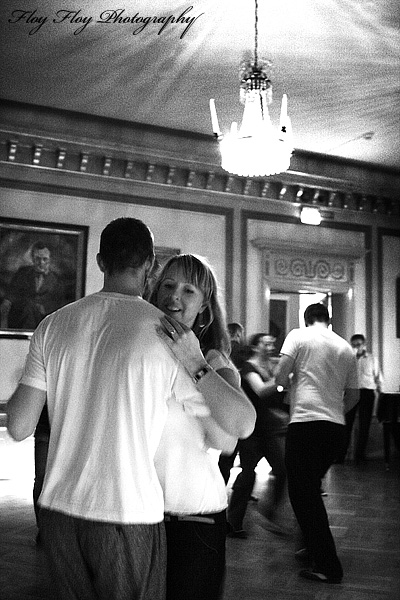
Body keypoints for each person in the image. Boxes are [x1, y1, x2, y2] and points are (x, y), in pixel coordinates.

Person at [6, 217, 216, 600]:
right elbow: (222, 433)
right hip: (127, 510)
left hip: (57, 510)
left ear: (100, 262)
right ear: (151, 266)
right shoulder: (167, 333)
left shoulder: (52, 325)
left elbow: (19, 426)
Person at [150, 253, 256, 600]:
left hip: (193, 515)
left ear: (205, 308)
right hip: (140, 511)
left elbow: (227, 439)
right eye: (168, 285)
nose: (174, 296)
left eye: (188, 290)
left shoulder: (214, 363)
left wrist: (193, 363)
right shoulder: (142, 349)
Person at [275, 303, 359, 584]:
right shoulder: (345, 347)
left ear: (306, 319)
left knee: (303, 496)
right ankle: (311, 549)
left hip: (306, 424)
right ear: (329, 320)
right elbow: (354, 396)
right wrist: (334, 412)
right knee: (310, 490)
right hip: (335, 430)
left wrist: (287, 387)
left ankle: (328, 565)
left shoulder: (298, 336)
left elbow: (278, 376)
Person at [227, 333, 289, 538]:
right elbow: (261, 391)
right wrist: (282, 379)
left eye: (272, 343)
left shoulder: (271, 367)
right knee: (248, 474)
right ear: (255, 346)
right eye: (266, 343)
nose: (271, 346)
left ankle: (268, 513)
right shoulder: (248, 368)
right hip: (251, 429)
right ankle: (233, 523)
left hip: (268, 429)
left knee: (281, 469)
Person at [1, 241, 64, 329]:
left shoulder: (57, 280)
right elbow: (11, 295)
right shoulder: (22, 273)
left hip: (44, 321)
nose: (41, 263)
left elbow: (60, 305)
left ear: (50, 259)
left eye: (45, 259)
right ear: (32, 259)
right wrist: (6, 304)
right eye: (37, 259)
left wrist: (44, 308)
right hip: (20, 317)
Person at [339, 333, 382, 463]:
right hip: (351, 392)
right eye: (354, 345)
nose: (357, 347)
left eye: (359, 344)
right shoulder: (347, 359)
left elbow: (378, 376)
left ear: (364, 344)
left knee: (365, 425)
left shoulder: (372, 359)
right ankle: (341, 455)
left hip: (367, 393)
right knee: (346, 424)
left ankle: (360, 455)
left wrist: (381, 392)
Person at [218, 321, 246, 484]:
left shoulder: (220, 351)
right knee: (227, 459)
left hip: (224, 408)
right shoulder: (239, 351)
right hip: (234, 409)